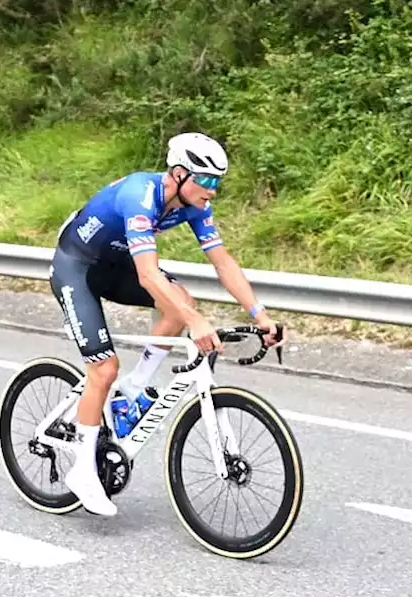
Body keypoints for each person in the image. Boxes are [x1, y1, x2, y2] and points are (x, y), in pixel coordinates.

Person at [49, 131, 286, 516]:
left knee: (182, 303)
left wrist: (260, 315)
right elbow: (148, 276)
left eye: (217, 183)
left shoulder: (194, 205)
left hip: (115, 266)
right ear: (178, 174)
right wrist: (196, 322)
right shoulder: (139, 197)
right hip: (77, 267)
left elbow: (223, 262)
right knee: (104, 368)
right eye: (206, 181)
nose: (212, 191)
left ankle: (136, 386)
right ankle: (83, 472)